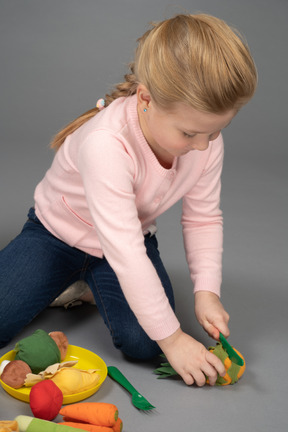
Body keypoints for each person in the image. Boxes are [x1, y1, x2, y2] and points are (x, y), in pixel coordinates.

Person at [0, 13, 257, 386]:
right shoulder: (107, 144)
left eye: (217, 131)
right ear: (146, 100)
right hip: (56, 236)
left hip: (128, 241)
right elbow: (126, 253)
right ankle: (62, 279)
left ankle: (84, 288)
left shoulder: (204, 139)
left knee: (142, 344)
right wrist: (174, 338)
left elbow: (203, 218)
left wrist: (206, 293)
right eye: (189, 133)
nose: (202, 146)